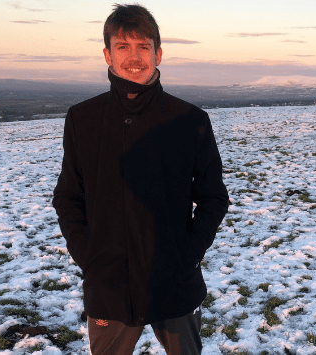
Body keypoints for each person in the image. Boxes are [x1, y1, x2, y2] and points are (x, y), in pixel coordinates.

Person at [52, 4, 229, 355]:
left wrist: (188, 253)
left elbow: (213, 197)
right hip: (110, 284)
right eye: (123, 46)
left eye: (143, 47)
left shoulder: (189, 120)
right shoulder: (82, 119)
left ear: (158, 53)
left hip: (175, 281)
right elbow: (68, 196)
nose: (134, 57)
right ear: (107, 54)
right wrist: (89, 256)